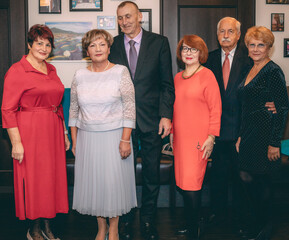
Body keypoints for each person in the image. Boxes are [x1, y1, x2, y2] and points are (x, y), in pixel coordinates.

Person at [109, 1, 175, 240]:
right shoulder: (112, 45)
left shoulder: (159, 43)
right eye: (119, 18)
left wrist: (166, 115)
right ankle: (125, 222)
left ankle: (148, 221)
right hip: (120, 123)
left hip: (152, 121)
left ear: (139, 17)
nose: (124, 22)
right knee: (122, 175)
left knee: (151, 174)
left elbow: (167, 84)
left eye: (128, 16)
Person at [204, 17, 276, 226]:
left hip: (242, 131)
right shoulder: (209, 58)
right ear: (217, 35)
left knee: (241, 178)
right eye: (221, 32)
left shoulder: (251, 58)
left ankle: (242, 219)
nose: (225, 35)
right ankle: (216, 215)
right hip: (215, 130)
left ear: (238, 35)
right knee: (217, 176)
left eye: (230, 31)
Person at [1, 24, 69, 240]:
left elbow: (58, 104)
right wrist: (16, 143)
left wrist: (65, 133)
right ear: (29, 44)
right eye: (39, 43)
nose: (44, 48)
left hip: (53, 131)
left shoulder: (51, 69)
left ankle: (48, 226)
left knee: (51, 179)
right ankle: (34, 229)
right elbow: (8, 109)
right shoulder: (17, 70)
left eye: (48, 45)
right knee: (34, 181)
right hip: (29, 132)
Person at [69, 29, 137, 240]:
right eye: (92, 45)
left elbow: (130, 108)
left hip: (116, 137)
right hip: (88, 138)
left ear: (109, 48)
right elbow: (73, 110)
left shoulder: (120, 72)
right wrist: (75, 140)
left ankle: (114, 228)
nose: (97, 49)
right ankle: (101, 227)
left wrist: (125, 140)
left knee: (112, 184)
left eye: (101, 44)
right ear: (87, 50)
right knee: (95, 184)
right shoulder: (80, 75)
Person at [236, 26, 289, 240]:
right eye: (252, 44)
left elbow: (282, 107)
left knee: (263, 181)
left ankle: (265, 229)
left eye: (261, 45)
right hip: (248, 134)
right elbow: (245, 106)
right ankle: (256, 222)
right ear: (247, 47)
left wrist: (275, 142)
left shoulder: (273, 71)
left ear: (268, 48)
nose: (256, 49)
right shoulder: (249, 68)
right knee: (246, 177)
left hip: (265, 134)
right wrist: (240, 135)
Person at [171, 35, 222, 240]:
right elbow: (175, 109)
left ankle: (194, 230)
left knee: (192, 183)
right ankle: (191, 222)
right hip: (180, 138)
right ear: (180, 53)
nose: (189, 53)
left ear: (201, 53)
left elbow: (216, 108)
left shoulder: (207, 75)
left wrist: (212, 136)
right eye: (185, 49)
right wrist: (172, 134)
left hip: (199, 139)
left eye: (193, 49)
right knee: (183, 183)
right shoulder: (177, 78)